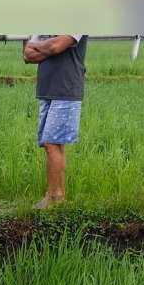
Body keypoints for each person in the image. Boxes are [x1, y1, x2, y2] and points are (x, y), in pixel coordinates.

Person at [23, 35, 88, 209]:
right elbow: (28, 55)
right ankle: (58, 196)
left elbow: (56, 46)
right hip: (46, 91)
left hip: (66, 90)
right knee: (52, 145)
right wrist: (49, 47)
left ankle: (50, 198)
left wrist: (40, 46)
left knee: (52, 143)